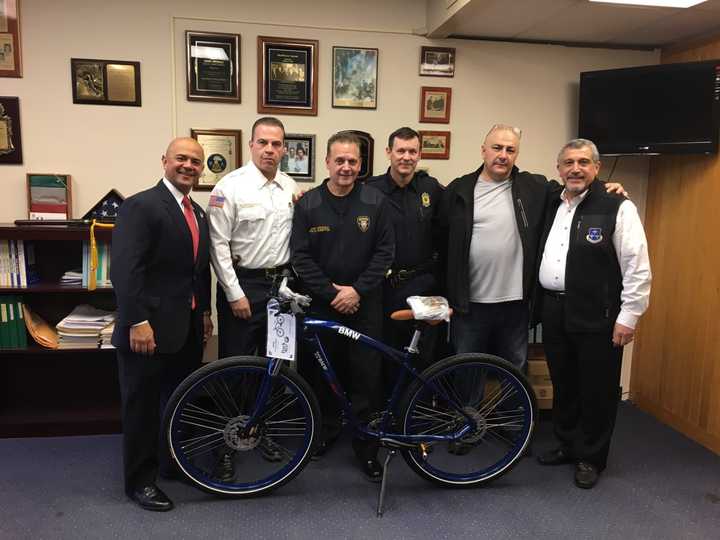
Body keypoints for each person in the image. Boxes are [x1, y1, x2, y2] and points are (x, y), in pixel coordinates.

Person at [440, 124, 625, 373]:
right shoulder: (458, 190)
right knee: (467, 373)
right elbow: (440, 242)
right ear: (483, 151)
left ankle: (517, 414)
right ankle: (468, 413)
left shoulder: (535, 187)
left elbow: (574, 185)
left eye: (510, 149)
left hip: (516, 306)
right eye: (497, 148)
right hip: (470, 305)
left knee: (515, 374)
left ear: (516, 154)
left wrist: (605, 187)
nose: (503, 155)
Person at [536, 139, 651, 489]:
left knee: (597, 389)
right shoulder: (552, 202)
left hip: (598, 314)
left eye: (583, 162)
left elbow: (637, 266)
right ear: (558, 169)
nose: (575, 168)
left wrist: (628, 316)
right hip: (555, 310)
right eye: (568, 162)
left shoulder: (617, 206)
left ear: (597, 168)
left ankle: (591, 457)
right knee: (565, 383)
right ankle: (568, 445)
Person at [111, 137, 213, 512]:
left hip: (183, 327)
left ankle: (171, 464)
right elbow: (124, 270)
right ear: (164, 162)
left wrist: (203, 313)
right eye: (181, 159)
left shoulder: (198, 212)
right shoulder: (141, 206)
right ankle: (140, 482)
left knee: (177, 401)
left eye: (196, 161)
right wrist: (136, 320)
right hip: (147, 329)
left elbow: (197, 272)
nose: (188, 165)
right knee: (141, 406)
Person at [291, 132, 394, 482]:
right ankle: (326, 432)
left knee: (366, 376)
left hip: (364, 305)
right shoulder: (308, 204)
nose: (346, 167)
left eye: (352, 161)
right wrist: (332, 292)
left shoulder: (375, 201)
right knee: (323, 372)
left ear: (361, 165)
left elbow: (385, 253)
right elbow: (300, 257)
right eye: (340, 160)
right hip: (322, 305)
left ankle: (367, 446)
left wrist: (356, 291)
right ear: (327, 163)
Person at [207, 117, 298, 360]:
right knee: (237, 363)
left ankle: (273, 400)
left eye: (276, 144)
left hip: (282, 287)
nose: (269, 149)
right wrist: (234, 294)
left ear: (284, 149)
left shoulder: (290, 186)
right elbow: (218, 245)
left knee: (278, 362)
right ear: (251, 145)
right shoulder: (228, 187)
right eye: (263, 142)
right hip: (244, 284)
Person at [366, 127, 445, 394]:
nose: (407, 157)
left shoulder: (431, 188)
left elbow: (448, 229)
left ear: (419, 154)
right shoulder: (370, 190)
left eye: (413, 151)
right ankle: (386, 418)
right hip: (384, 288)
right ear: (389, 153)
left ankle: (417, 419)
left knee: (423, 357)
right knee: (384, 353)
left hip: (424, 284)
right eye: (401, 150)